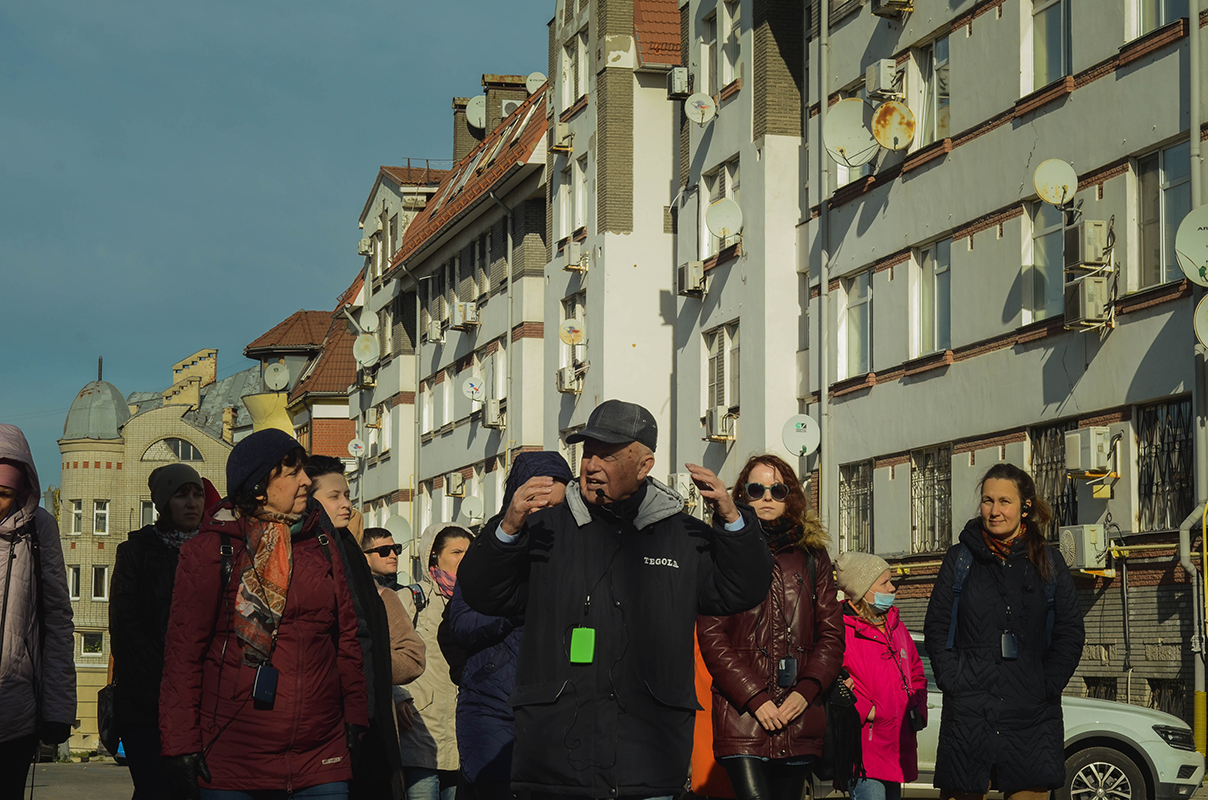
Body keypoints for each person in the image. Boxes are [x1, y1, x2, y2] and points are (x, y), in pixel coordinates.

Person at [459, 399, 775, 799]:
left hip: (648, 762)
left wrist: (732, 521)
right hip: (554, 764)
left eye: (606, 455)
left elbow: (741, 589)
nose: (591, 465)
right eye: (588, 452)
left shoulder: (682, 535)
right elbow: (485, 593)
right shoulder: (543, 529)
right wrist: (506, 529)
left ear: (644, 465)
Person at [159, 429, 368, 799]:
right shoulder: (212, 549)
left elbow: (347, 638)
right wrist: (180, 744)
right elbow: (183, 655)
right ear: (258, 487)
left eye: (304, 470)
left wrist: (355, 715)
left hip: (320, 755)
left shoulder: (320, 543)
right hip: (233, 757)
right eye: (291, 473)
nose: (306, 481)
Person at [923, 462, 1085, 800]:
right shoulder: (960, 559)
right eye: (987, 500)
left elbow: (1069, 633)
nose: (994, 511)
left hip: (1032, 717)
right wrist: (954, 680)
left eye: (1004, 502)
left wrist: (1046, 683)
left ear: (1025, 507)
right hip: (969, 714)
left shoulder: (1049, 563)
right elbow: (937, 627)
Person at [696, 454, 845, 800]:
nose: (767, 497)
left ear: (790, 495)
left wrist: (805, 691)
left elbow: (832, 636)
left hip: (799, 714)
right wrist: (755, 698)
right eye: (756, 489)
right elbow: (712, 636)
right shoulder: (722, 551)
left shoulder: (813, 556)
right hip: (742, 715)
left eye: (777, 489)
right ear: (742, 496)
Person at [445, 452, 573, 800]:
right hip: (493, 706)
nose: (547, 514)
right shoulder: (491, 551)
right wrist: (518, 606)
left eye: (559, 505)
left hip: (559, 708)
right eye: (535, 503)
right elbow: (460, 624)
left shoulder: (578, 550)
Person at [307, 456, 407, 800]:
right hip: (336, 715)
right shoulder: (317, 550)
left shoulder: (346, 546)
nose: (347, 504)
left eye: (347, 495)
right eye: (335, 496)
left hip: (365, 710)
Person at [110, 463, 205, 798]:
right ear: (164, 503)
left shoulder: (215, 550)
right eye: (182, 495)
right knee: (154, 789)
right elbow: (125, 629)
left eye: (197, 494)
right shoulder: (136, 552)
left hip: (200, 704)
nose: (192, 502)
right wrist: (165, 686)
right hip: (145, 706)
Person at [0, 424, 75, 796]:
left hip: (14, 714)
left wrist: (59, 710)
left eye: (3, 494)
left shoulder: (38, 528)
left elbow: (58, 619)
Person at [835, 551, 927, 800]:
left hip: (898, 743)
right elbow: (833, 681)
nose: (892, 587)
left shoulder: (896, 625)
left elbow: (917, 671)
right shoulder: (841, 630)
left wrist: (917, 708)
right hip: (866, 747)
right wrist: (868, 711)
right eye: (884, 582)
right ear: (863, 590)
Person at [395, 522, 472, 800]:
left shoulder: (478, 602)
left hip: (462, 729)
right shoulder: (412, 598)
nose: (464, 558)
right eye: (456, 551)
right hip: (420, 726)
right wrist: (398, 695)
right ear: (433, 556)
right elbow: (384, 650)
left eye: (469, 551)